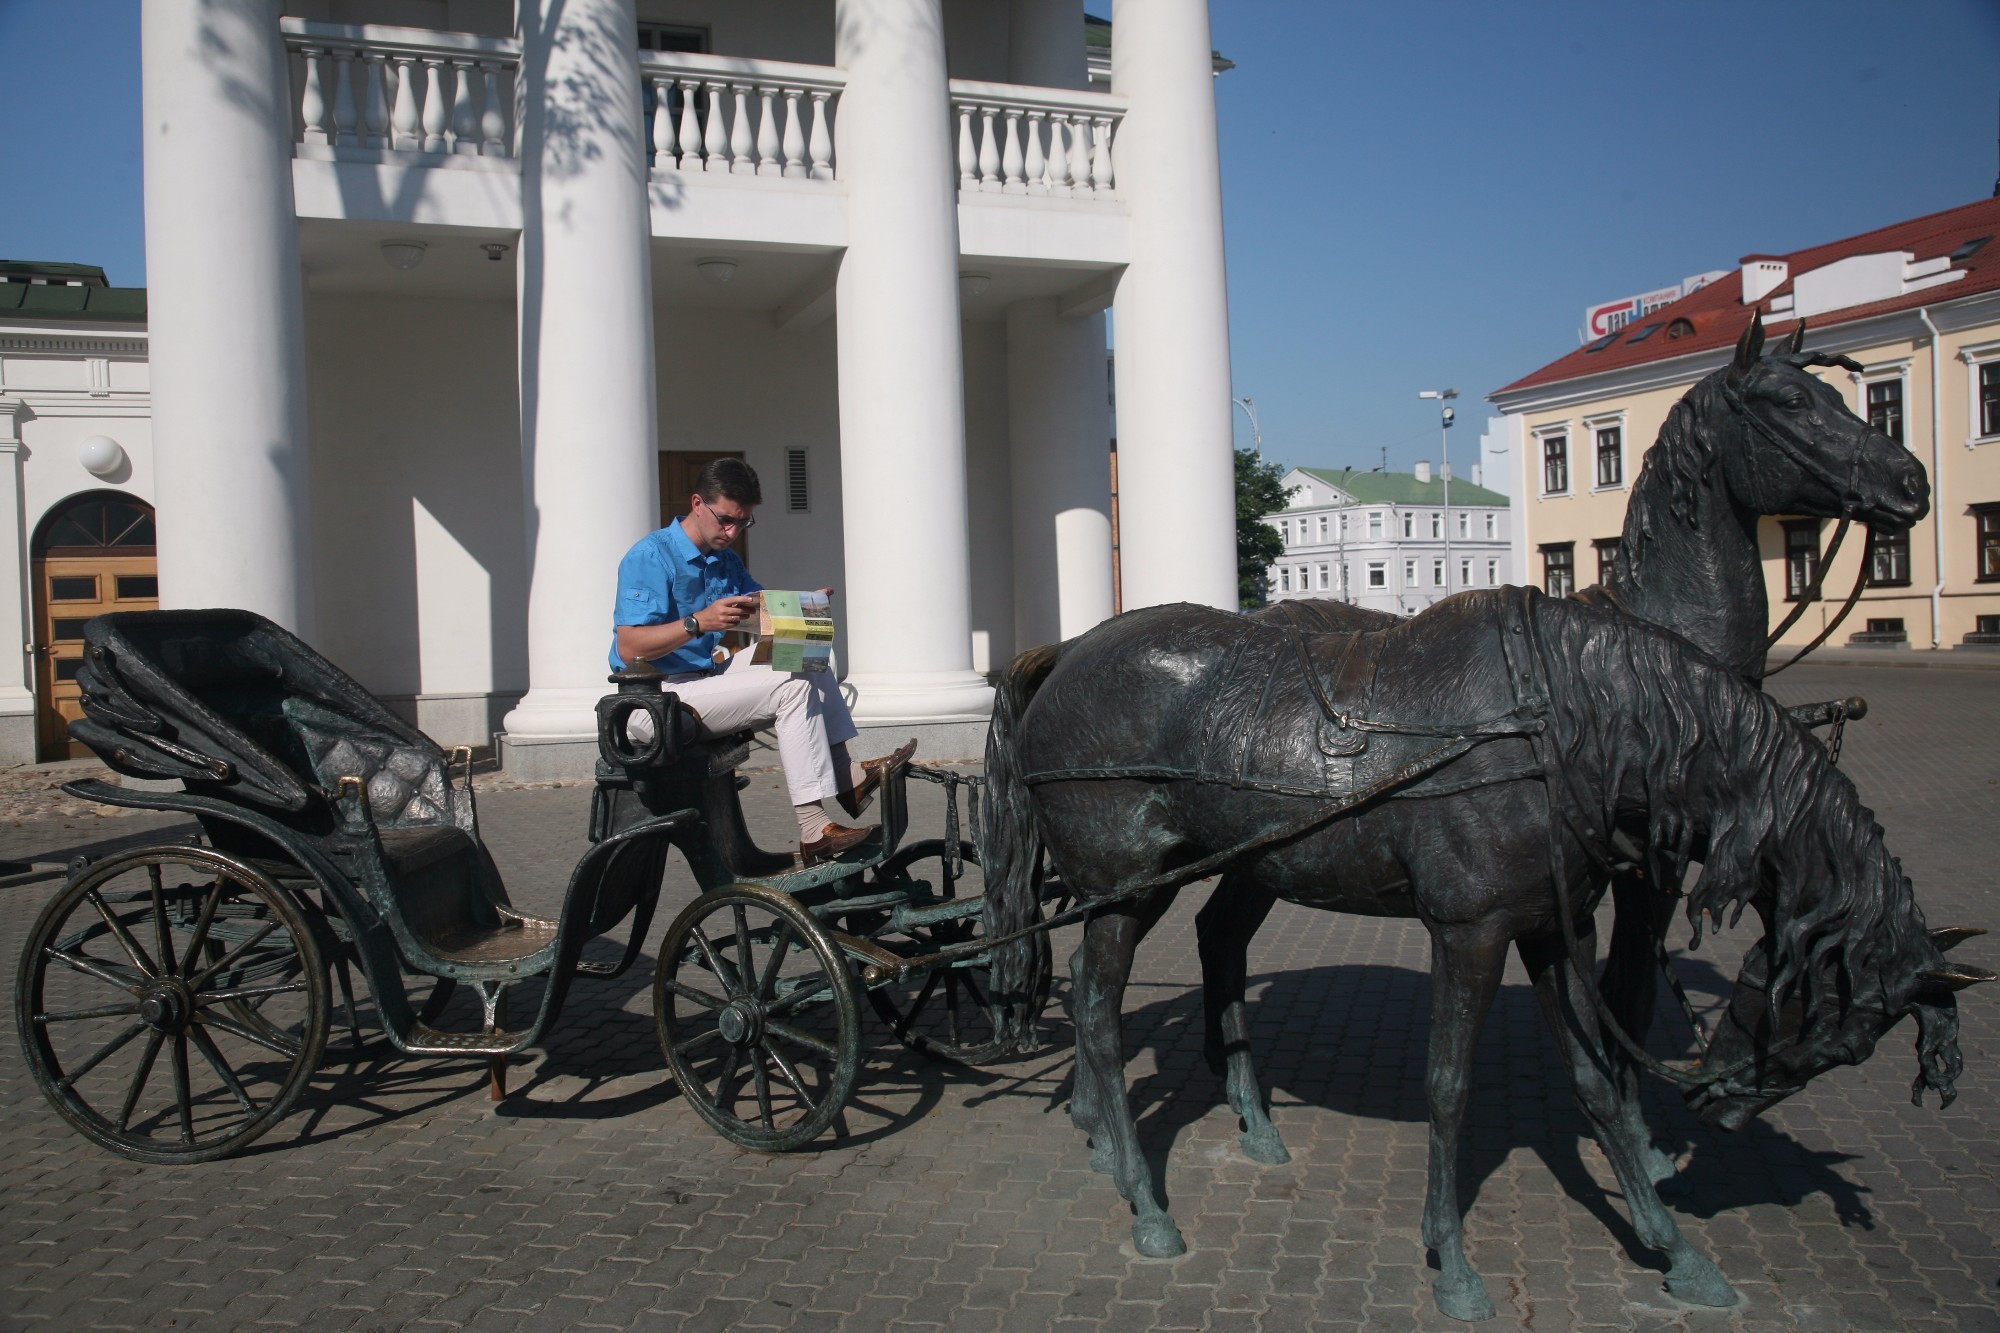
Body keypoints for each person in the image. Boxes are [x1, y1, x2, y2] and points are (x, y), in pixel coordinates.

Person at [610, 458, 912, 863]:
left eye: (743, 522)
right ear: (697, 503)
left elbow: (759, 617)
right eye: (725, 520)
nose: (733, 532)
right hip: (650, 702)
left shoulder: (725, 560)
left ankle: (848, 777)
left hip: (701, 682)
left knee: (807, 645)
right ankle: (813, 828)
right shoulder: (650, 556)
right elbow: (630, 648)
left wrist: (802, 609)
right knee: (790, 686)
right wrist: (697, 623)